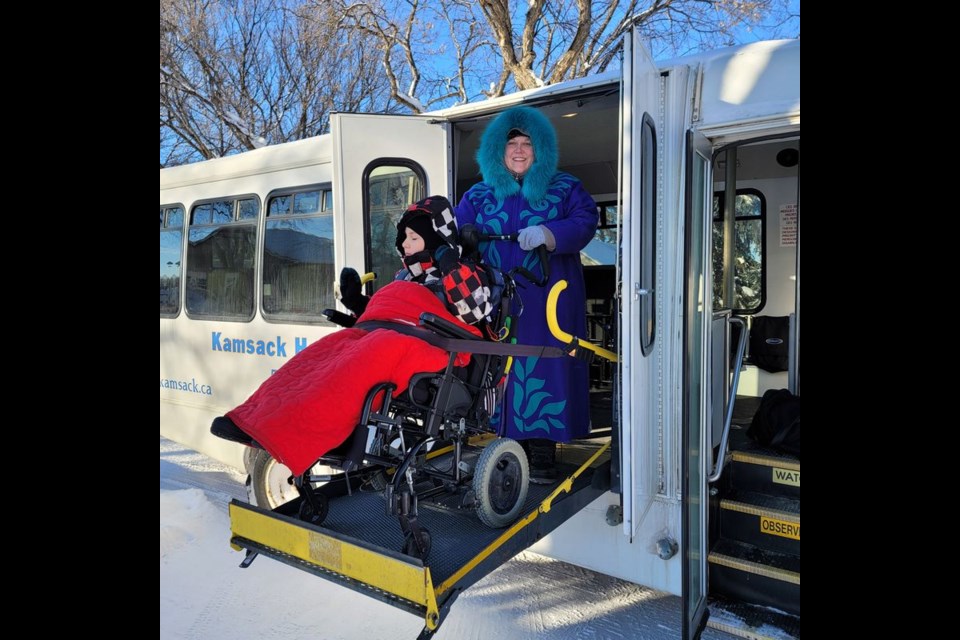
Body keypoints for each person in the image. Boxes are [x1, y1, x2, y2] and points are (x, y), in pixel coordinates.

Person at [455, 105, 598, 483]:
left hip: (548, 301)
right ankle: (500, 445)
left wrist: (550, 234)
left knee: (547, 366)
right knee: (496, 369)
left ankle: (542, 450)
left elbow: (586, 221)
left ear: (541, 150)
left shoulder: (566, 187)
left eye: (527, 143)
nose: (519, 150)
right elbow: (453, 230)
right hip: (493, 300)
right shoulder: (479, 194)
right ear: (496, 152)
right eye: (511, 143)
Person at [339, 195, 495, 327]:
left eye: (413, 238)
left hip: (436, 355)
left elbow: (474, 312)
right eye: (404, 237)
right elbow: (389, 314)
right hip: (398, 342)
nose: (405, 243)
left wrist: (451, 267)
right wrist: (357, 304)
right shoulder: (405, 276)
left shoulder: (465, 272)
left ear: (435, 240)